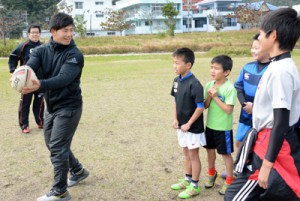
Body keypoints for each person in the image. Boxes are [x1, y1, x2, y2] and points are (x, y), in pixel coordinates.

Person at [225, 8, 300, 201]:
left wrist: (266, 165)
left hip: (272, 146)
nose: (258, 37)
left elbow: (280, 122)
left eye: (261, 32)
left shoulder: (280, 71)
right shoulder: (277, 66)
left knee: (235, 198)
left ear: (273, 36)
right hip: (265, 142)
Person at [21, 13, 89, 201]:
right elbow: (30, 67)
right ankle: (78, 170)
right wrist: (21, 74)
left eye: (71, 30)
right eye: (65, 31)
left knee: (58, 147)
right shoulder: (42, 50)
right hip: (51, 106)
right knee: (53, 144)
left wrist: (38, 85)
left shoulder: (75, 55)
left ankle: (60, 192)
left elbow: (63, 79)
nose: (69, 34)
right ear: (53, 31)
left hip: (69, 107)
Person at [170, 47, 206, 199]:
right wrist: (175, 119)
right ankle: (187, 179)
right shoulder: (176, 80)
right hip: (181, 125)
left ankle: (195, 185)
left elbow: (200, 107)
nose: (174, 66)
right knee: (186, 153)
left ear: (188, 65)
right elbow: (174, 101)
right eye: (173, 63)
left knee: (193, 155)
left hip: (192, 127)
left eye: (177, 63)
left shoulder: (195, 83)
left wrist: (189, 124)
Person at [203, 55, 237, 195]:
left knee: (225, 154)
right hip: (210, 126)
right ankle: (212, 173)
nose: (212, 71)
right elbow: (205, 106)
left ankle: (229, 180)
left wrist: (216, 97)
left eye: (216, 68)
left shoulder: (230, 88)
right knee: (210, 151)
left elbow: (228, 110)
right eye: (211, 67)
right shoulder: (209, 85)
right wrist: (210, 97)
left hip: (223, 128)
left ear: (226, 72)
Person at [234, 33, 270, 149]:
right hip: (246, 114)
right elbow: (239, 87)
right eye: (252, 47)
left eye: (256, 48)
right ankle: (244, 166)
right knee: (240, 142)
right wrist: (245, 105)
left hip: (264, 117)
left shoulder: (273, 70)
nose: (253, 50)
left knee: (259, 146)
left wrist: (254, 107)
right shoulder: (247, 67)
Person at [8, 25, 45, 133]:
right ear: (28, 34)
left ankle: (40, 122)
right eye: (32, 32)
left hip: (40, 80)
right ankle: (24, 125)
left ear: (40, 34)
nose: (35, 34)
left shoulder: (44, 47)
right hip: (26, 81)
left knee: (40, 102)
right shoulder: (23, 46)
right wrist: (13, 71)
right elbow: (13, 57)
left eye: (37, 32)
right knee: (25, 103)